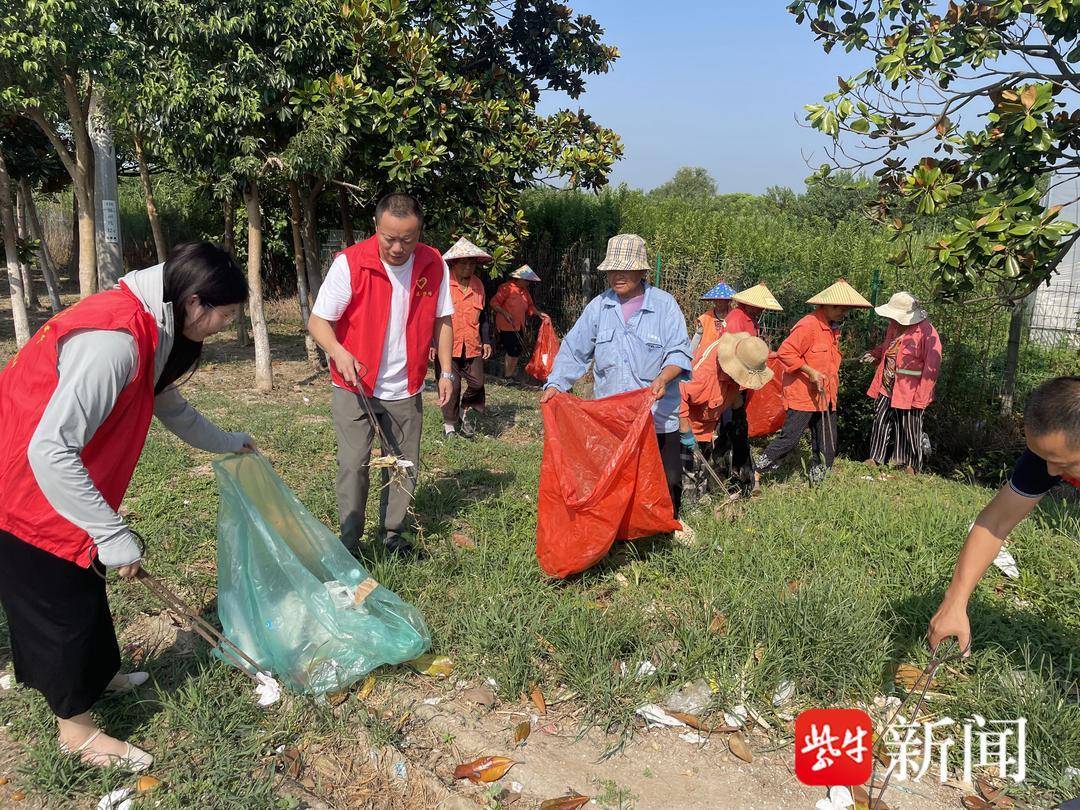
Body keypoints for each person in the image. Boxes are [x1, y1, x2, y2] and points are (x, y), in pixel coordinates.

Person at [0, 242, 254, 772]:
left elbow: (171, 407)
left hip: (60, 481)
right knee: (57, 606)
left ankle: (99, 675)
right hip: (27, 488)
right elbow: (48, 450)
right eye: (223, 317)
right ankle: (77, 732)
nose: (222, 329)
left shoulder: (151, 328)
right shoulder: (116, 341)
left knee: (85, 586)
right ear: (193, 302)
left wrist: (230, 442)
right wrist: (112, 534)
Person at [307, 193, 454, 556]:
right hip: (354, 384)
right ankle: (349, 541)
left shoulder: (434, 264)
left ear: (419, 233)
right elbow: (318, 321)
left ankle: (393, 534)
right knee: (354, 464)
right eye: (389, 238)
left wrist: (447, 371)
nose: (398, 247)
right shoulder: (351, 264)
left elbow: (443, 320)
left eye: (408, 239)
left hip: (406, 386)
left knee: (404, 465)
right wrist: (339, 352)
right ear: (376, 228)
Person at [540, 233, 693, 524]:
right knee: (615, 481)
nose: (618, 275)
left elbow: (678, 353)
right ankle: (621, 535)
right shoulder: (599, 307)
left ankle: (664, 531)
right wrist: (555, 385)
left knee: (668, 479)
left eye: (626, 268)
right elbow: (574, 351)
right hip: (612, 419)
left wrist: (663, 378)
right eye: (613, 269)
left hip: (656, 417)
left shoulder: (664, 306)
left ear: (642, 271)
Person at [928, 376, 1080, 655]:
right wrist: (955, 602)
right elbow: (994, 522)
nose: (1048, 472)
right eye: (1041, 457)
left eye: (1059, 464)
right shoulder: (1048, 456)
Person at [755, 279, 871, 484]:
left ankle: (818, 482)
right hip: (803, 394)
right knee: (789, 438)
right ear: (824, 305)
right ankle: (754, 471)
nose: (842, 313)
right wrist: (810, 371)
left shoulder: (833, 328)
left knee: (827, 441)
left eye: (845, 309)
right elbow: (785, 352)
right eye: (838, 308)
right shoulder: (808, 325)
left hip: (826, 394)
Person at [862, 291, 942, 474]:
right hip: (886, 384)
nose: (893, 320)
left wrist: (922, 397)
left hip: (911, 391)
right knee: (880, 420)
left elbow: (932, 367)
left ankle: (909, 466)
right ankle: (875, 458)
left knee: (909, 426)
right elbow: (887, 348)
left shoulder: (927, 333)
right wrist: (874, 354)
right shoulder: (893, 327)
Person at [436, 237, 494, 438]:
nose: (468, 267)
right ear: (454, 263)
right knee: (453, 385)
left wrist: (486, 340)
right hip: (447, 345)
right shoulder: (443, 284)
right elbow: (433, 317)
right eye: (464, 262)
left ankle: (464, 409)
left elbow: (484, 315)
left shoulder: (479, 285)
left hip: (472, 344)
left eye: (472, 263)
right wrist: (432, 343)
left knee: (477, 383)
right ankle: (450, 426)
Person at [491, 265, 548, 384]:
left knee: (517, 350)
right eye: (526, 280)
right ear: (519, 278)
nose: (528, 283)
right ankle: (507, 376)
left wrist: (539, 314)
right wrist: (505, 313)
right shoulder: (506, 288)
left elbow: (530, 307)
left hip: (519, 326)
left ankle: (509, 376)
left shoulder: (525, 292)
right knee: (512, 349)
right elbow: (494, 303)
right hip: (506, 325)